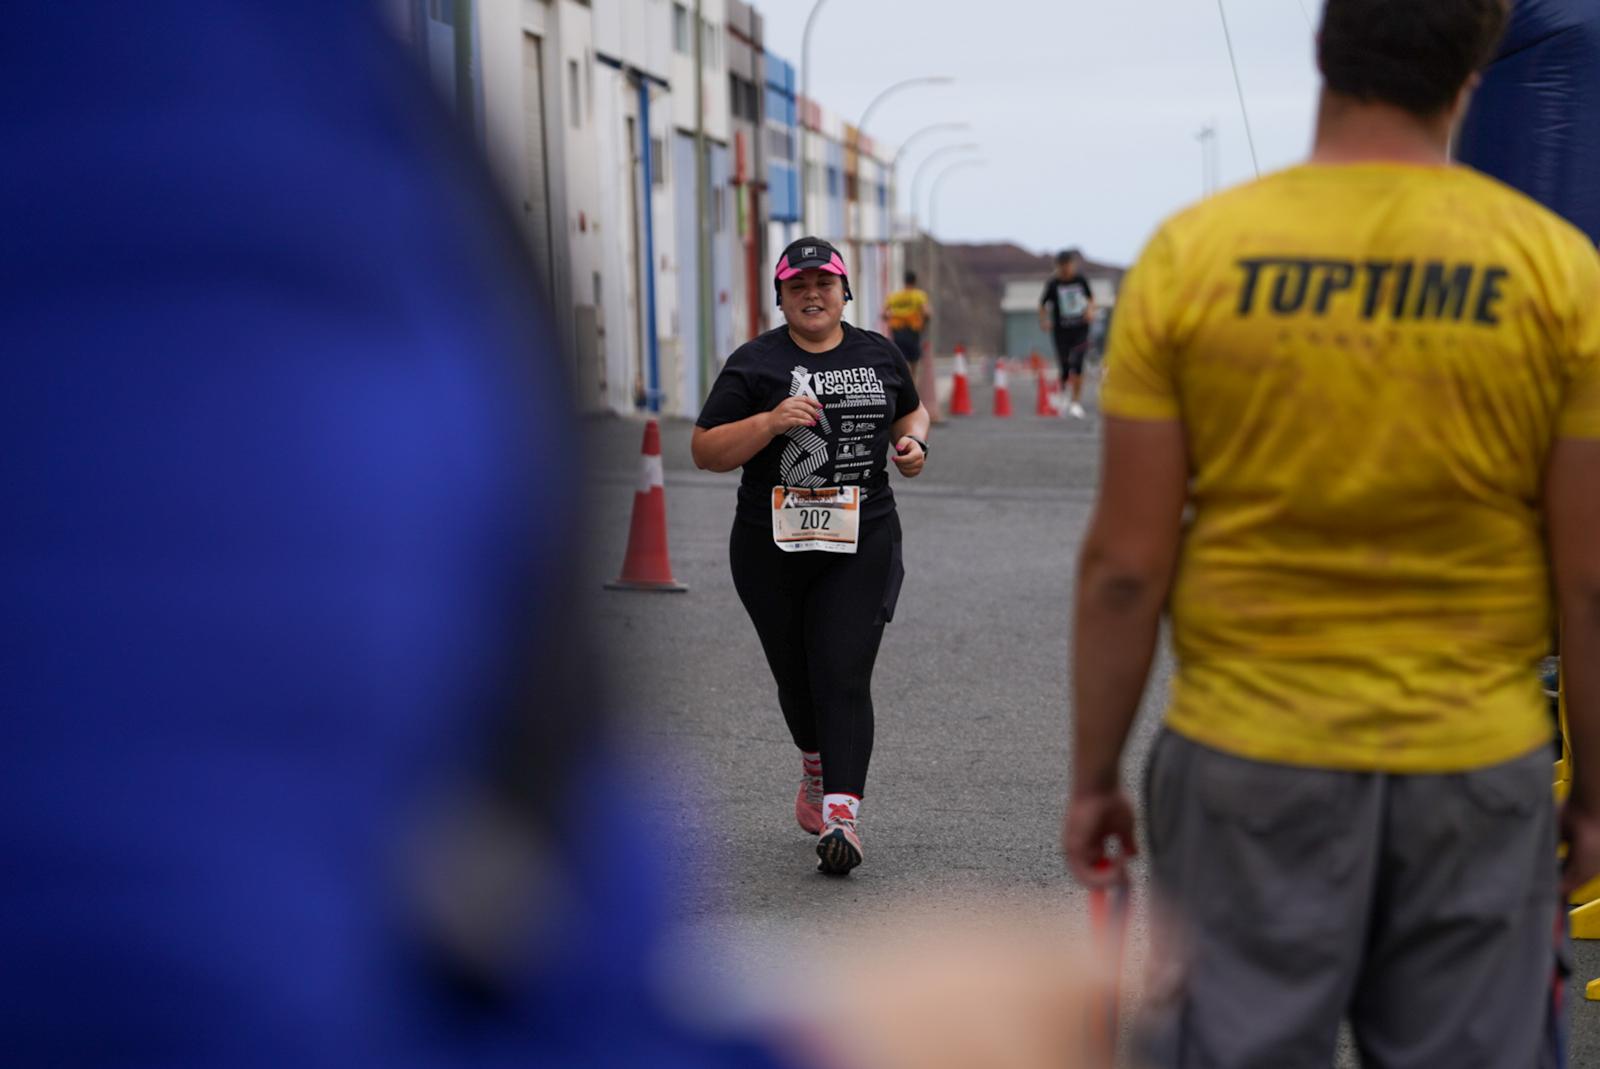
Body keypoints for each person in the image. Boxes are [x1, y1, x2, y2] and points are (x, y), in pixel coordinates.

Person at [1062, 0, 1600, 1063]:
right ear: (1472, 73)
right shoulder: (1557, 270)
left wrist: (1094, 777)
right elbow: (1588, 580)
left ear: (1322, 51)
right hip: (1472, 768)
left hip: (1251, 762)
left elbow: (1124, 566)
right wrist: (1592, 795)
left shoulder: (1194, 255)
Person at [692, 237, 930, 876]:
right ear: (781, 298)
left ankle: (842, 817)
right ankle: (815, 764)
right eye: (797, 286)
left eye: (824, 283)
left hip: (861, 538)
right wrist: (769, 423)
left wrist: (913, 446)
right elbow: (705, 450)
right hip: (769, 548)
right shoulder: (755, 363)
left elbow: (913, 414)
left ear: (844, 291)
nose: (812, 295)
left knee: (842, 672)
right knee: (796, 677)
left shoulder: (878, 353)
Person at [1039, 249, 1095, 419]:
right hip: (1061, 331)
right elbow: (1042, 304)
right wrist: (1044, 320)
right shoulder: (1053, 284)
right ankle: (1063, 394)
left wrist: (1090, 311)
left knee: (1077, 364)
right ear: (1058, 267)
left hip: (1080, 329)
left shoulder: (1080, 280)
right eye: (1062, 266)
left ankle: (1076, 402)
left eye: (1069, 265)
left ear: (1073, 265)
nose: (1066, 269)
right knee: (1064, 365)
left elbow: (1091, 298)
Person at [883, 270, 932, 367]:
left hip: (897, 331)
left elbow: (884, 314)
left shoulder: (894, 296)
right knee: (914, 359)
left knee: (901, 357)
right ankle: (911, 376)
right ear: (915, 281)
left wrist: (891, 319)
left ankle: (903, 375)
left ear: (904, 281)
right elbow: (927, 313)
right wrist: (924, 323)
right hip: (912, 331)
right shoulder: (919, 295)